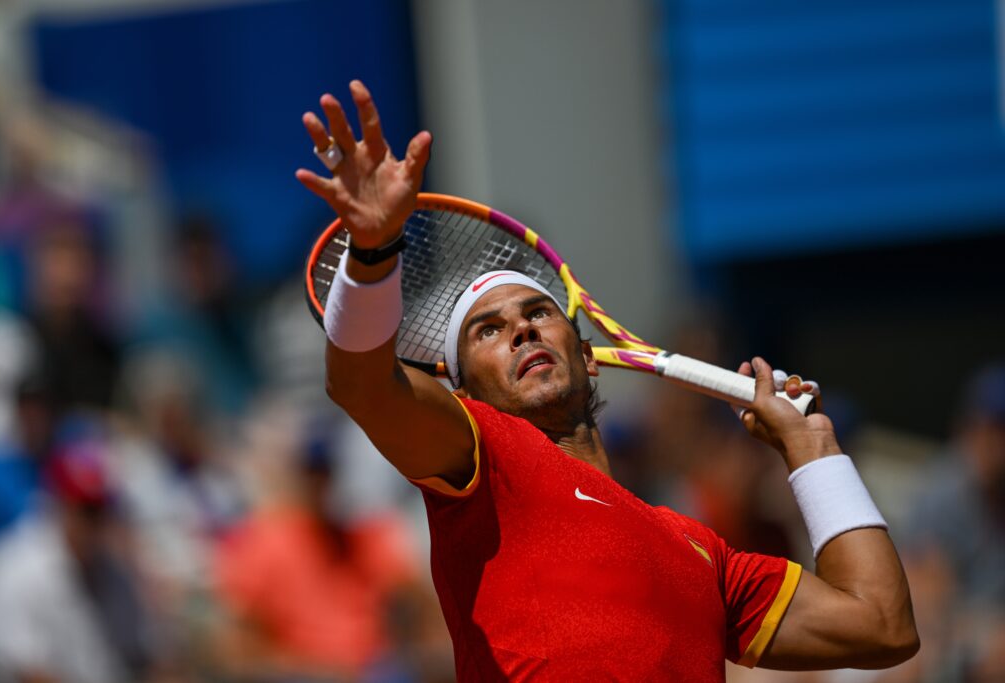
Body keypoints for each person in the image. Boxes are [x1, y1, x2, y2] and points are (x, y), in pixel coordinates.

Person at [295, 80, 918, 681]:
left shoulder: (703, 553)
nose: (521, 329)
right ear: (463, 396)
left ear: (588, 357)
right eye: (488, 331)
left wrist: (813, 448)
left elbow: (881, 625)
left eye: (538, 313)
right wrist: (372, 251)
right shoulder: (483, 457)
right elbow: (362, 385)